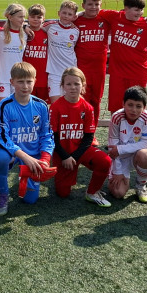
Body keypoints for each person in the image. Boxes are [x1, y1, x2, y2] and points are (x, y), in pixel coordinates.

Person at [0, 62, 55, 215]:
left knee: (30, 200)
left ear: (35, 81)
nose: (25, 86)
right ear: (12, 82)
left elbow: (47, 135)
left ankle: (25, 176)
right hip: (13, 152)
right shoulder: (5, 105)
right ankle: (3, 194)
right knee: (0, 159)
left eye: (29, 81)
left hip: (34, 154)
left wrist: (45, 159)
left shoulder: (41, 106)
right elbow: (1, 135)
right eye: (20, 81)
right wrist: (22, 155)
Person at [50, 67, 112, 205]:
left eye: (76, 84)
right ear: (62, 86)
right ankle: (64, 174)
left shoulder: (88, 108)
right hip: (63, 154)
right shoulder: (55, 107)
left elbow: (89, 137)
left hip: (81, 152)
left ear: (83, 85)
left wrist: (75, 157)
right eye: (69, 84)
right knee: (63, 193)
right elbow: (52, 137)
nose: (73, 87)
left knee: (105, 161)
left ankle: (92, 192)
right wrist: (65, 157)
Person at [103, 0, 147, 112]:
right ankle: (118, 130)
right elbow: (94, 11)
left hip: (138, 73)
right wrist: (78, 15)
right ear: (126, 8)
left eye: (141, 10)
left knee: (136, 108)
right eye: (136, 9)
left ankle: (136, 130)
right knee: (116, 108)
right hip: (117, 74)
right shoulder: (114, 17)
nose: (140, 13)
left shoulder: (146, 26)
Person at [107, 86, 147, 204]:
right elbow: (113, 148)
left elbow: (146, 143)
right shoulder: (117, 117)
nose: (134, 110)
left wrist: (121, 149)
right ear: (123, 104)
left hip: (136, 155)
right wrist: (118, 172)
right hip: (120, 158)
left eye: (138, 106)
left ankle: (140, 186)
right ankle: (121, 176)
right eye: (130, 105)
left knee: (146, 155)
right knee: (118, 193)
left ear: (144, 107)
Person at [73, 0, 109, 126]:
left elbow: (124, 17)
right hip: (82, 69)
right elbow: (58, 24)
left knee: (96, 100)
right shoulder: (76, 20)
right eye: (90, 4)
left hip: (99, 69)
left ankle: (91, 131)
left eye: (96, 4)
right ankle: (80, 128)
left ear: (101, 5)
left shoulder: (105, 19)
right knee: (82, 99)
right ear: (83, 5)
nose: (93, 7)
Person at [46, 0, 80, 103]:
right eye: (64, 13)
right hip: (54, 72)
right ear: (58, 13)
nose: (66, 16)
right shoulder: (49, 27)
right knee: (55, 103)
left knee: (70, 103)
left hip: (70, 72)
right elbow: (34, 27)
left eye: (70, 14)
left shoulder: (76, 31)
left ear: (74, 17)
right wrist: (25, 27)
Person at [0, 3, 27, 98]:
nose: (23, 20)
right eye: (20, 17)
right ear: (10, 17)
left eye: (24, 17)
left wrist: (25, 27)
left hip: (18, 77)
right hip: (2, 77)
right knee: (4, 107)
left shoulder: (25, 35)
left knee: (17, 106)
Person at [22, 4, 49, 101]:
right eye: (32, 17)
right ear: (28, 18)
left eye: (39, 17)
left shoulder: (47, 33)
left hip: (43, 75)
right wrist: (24, 26)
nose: (35, 19)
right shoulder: (23, 32)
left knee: (42, 104)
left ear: (44, 19)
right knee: (27, 102)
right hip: (27, 76)